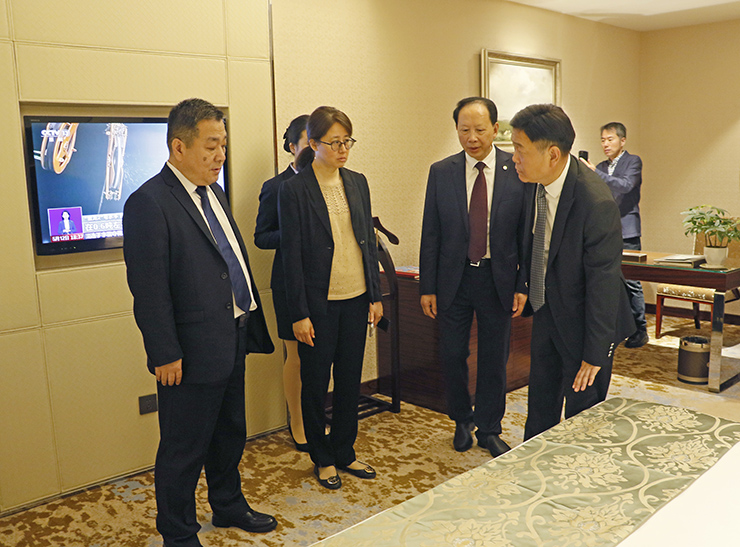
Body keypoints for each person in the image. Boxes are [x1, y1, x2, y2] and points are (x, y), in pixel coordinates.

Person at [123, 98, 277, 546]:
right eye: (211, 146)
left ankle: (228, 504)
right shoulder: (148, 202)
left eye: (223, 145)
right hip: (187, 352)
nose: (220, 155)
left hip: (232, 335)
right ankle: (178, 533)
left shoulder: (214, 193)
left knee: (229, 433)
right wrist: (164, 353)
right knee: (183, 448)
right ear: (179, 147)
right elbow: (149, 290)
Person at [509, 104, 635, 441]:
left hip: (586, 322)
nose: (514, 158)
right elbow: (533, 244)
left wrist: (594, 355)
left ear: (552, 154)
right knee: (540, 408)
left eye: (520, 149)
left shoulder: (595, 202)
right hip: (547, 309)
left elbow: (603, 284)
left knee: (582, 422)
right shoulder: (533, 181)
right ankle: (533, 468)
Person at [279, 106, 383, 490]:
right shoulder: (294, 190)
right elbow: (291, 257)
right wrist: (299, 313)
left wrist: (375, 295)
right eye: (334, 142)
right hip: (318, 303)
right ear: (313, 143)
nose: (342, 150)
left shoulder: (357, 182)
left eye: (347, 142)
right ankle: (322, 458)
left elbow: (367, 243)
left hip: (356, 297)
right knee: (315, 382)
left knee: (350, 379)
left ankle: (344, 450)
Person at [419, 97, 528, 458]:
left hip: (498, 279)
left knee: (495, 357)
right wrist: (427, 287)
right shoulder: (442, 171)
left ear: (495, 129)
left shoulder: (517, 169)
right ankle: (461, 419)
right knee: (452, 354)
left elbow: (525, 234)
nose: (472, 138)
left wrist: (522, 284)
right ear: (456, 130)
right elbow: (431, 232)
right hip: (454, 278)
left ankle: (490, 428)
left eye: (480, 130)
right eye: (464, 130)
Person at [254, 114, 310, 452]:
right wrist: (295, 235)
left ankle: (315, 416)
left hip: (326, 281)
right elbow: (261, 236)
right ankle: (297, 421)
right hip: (289, 280)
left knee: (322, 355)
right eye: (308, 142)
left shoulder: (331, 181)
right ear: (292, 146)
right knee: (296, 355)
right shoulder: (276, 186)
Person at [579, 122, 647, 348]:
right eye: (602, 140)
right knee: (608, 281)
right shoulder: (600, 166)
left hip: (627, 230)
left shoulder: (633, 161)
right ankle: (616, 329)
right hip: (604, 230)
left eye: (610, 139)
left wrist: (595, 173)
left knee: (632, 281)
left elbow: (626, 185)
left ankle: (640, 329)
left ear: (622, 140)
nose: (605, 144)